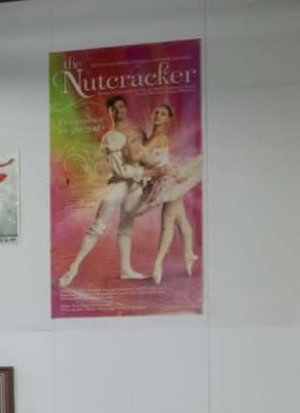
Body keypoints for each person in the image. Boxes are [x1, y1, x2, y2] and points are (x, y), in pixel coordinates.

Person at [58, 93, 148, 290]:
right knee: (97, 226)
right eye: (114, 108)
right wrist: (143, 171)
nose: (119, 111)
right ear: (109, 112)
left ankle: (126, 270)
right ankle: (73, 267)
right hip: (120, 184)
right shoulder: (112, 137)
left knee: (126, 227)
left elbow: (144, 157)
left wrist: (146, 172)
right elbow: (120, 170)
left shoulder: (136, 132)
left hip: (136, 186)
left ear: (126, 108)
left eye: (122, 107)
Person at [128, 101, 200, 283]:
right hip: (162, 180)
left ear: (167, 119)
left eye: (162, 114)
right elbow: (143, 158)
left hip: (168, 181)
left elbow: (139, 156)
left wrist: (132, 145)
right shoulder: (151, 137)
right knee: (181, 221)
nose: (158, 116)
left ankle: (158, 264)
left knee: (168, 222)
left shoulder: (159, 137)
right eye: (156, 113)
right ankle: (189, 254)